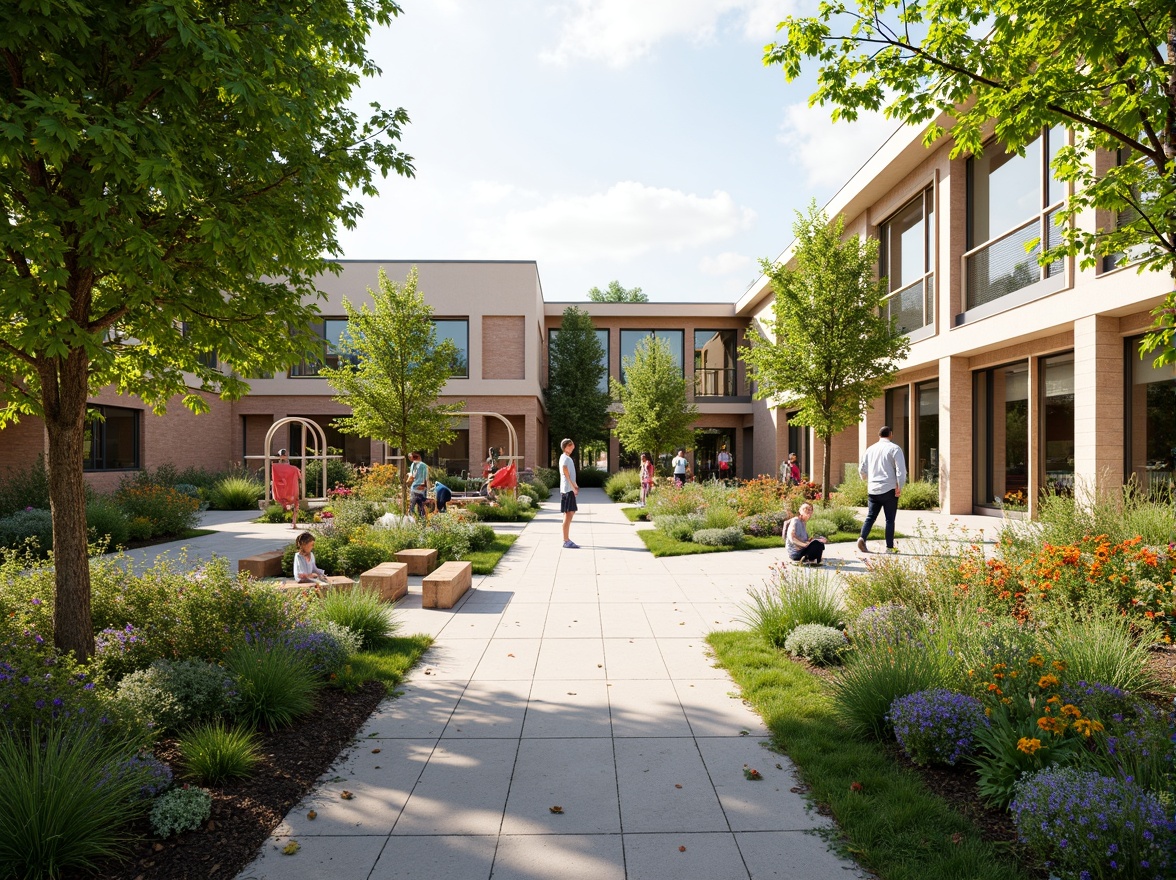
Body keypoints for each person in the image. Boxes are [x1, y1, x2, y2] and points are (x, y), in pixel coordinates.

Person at [857, 426, 907, 554]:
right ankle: (889, 548)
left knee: (870, 516)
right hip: (889, 488)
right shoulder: (895, 448)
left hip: (873, 489)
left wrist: (866, 479)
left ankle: (862, 538)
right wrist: (899, 486)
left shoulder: (870, 449)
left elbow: (862, 469)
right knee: (889, 519)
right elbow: (901, 471)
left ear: (879, 435)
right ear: (891, 434)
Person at [271, 449, 302, 530]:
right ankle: (293, 521)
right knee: (288, 501)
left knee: (295, 502)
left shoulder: (287, 465)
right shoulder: (277, 466)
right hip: (282, 488)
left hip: (290, 486)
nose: (284, 456)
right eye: (283, 455)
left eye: (285, 455)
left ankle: (294, 522)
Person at [559, 438, 579, 548]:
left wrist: (575, 485)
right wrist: (573, 486)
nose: (573, 446)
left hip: (569, 489)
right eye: (571, 445)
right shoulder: (565, 458)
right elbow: (565, 471)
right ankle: (566, 540)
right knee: (568, 514)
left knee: (570, 513)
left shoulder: (566, 457)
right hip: (567, 490)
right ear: (566, 446)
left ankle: (566, 539)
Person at [408, 451, 429, 518]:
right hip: (423, 489)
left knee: (412, 507)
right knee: (421, 506)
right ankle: (422, 522)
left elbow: (411, 477)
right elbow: (426, 478)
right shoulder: (425, 466)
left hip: (415, 488)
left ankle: (410, 520)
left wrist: (406, 482)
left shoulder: (413, 465)